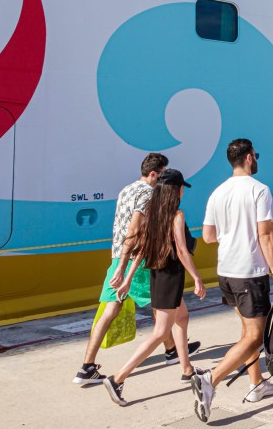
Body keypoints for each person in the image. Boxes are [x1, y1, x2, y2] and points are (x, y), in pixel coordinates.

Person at [74, 153, 199, 385]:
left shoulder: (126, 190)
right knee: (164, 307)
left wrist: (119, 266)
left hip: (117, 255)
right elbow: (135, 231)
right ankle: (169, 354)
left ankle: (87, 366)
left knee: (111, 309)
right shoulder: (149, 195)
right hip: (138, 260)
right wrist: (126, 268)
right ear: (153, 174)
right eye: (162, 174)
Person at [192, 139, 273, 423]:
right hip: (250, 272)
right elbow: (265, 234)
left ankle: (257, 384)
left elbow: (208, 236)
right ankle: (211, 379)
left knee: (248, 331)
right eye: (255, 155)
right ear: (248, 157)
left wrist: (232, 234)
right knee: (255, 336)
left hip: (226, 271)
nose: (256, 159)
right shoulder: (259, 190)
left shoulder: (218, 192)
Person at [104, 169, 207, 405]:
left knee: (182, 317)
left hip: (158, 275)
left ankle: (187, 369)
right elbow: (181, 250)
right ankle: (118, 378)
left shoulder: (152, 212)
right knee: (160, 332)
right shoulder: (176, 215)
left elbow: (141, 250)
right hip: (171, 277)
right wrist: (197, 278)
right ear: (175, 190)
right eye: (181, 187)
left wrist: (128, 278)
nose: (183, 191)